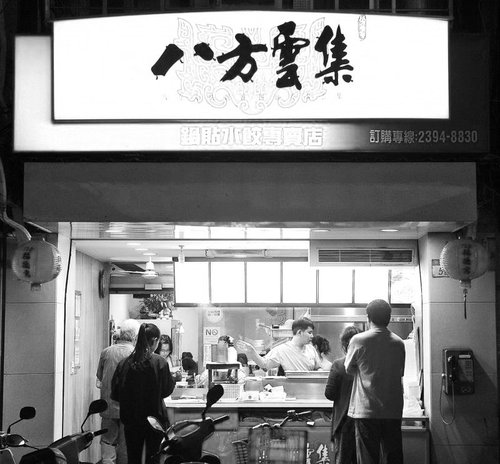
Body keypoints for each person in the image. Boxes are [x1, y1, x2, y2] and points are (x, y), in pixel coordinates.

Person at [344, 299, 406, 464]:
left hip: (366, 410)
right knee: (393, 457)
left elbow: (349, 369)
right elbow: (400, 372)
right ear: (389, 317)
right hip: (392, 410)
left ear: (368, 317)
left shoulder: (359, 340)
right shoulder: (399, 343)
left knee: (367, 458)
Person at [111, 323, 176, 464]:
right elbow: (167, 390)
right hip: (154, 421)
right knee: (153, 457)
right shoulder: (160, 363)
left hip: (131, 420)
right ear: (154, 341)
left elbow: (115, 394)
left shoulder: (124, 364)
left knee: (133, 457)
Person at [96, 319, 140, 464]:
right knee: (126, 446)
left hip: (108, 406)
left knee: (108, 444)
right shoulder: (135, 355)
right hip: (129, 409)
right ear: (135, 336)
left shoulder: (106, 352)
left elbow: (99, 381)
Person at [324, 326, 361, 464]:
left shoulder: (339, 365)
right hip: (367, 420)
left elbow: (330, 394)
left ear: (344, 345)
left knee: (344, 459)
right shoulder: (368, 364)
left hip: (344, 421)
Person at [235, 318, 321, 373]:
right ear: (299, 332)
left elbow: (318, 368)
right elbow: (265, 365)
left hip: (311, 390)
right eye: (309, 333)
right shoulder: (282, 350)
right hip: (292, 390)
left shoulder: (311, 349)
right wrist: (252, 352)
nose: (312, 336)